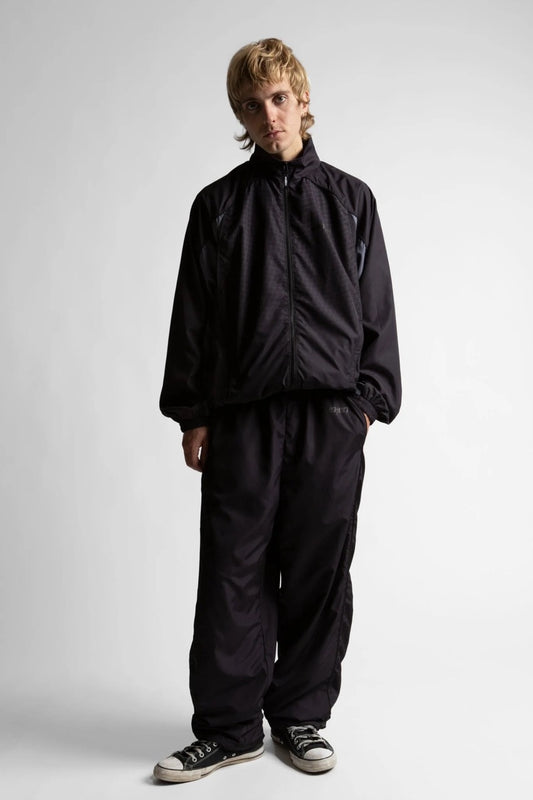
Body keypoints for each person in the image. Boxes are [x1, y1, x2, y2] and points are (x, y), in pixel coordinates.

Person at [153, 37, 401, 783]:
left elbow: (377, 312)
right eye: (253, 105)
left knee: (319, 571)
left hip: (330, 418)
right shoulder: (218, 206)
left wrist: (365, 404)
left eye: (279, 98)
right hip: (243, 418)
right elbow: (193, 316)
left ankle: (299, 718)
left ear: (302, 98)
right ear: (240, 116)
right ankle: (229, 728)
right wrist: (194, 413)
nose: (270, 115)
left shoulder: (351, 200)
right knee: (233, 573)